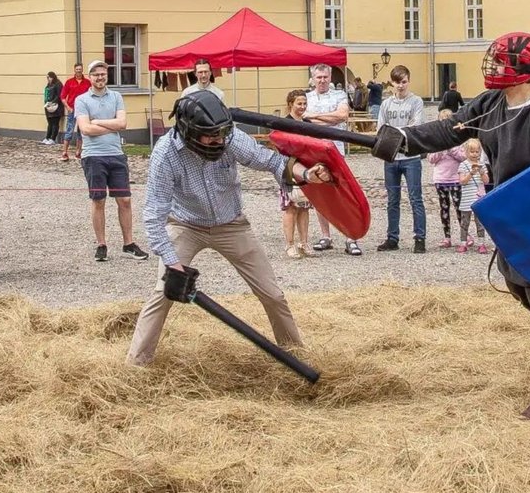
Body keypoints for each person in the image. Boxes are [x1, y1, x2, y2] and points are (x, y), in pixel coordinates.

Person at [373, 31, 530, 420]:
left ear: (523, 68)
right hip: (511, 213)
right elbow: (450, 129)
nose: (494, 67)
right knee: (517, 284)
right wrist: (402, 139)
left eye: (501, 61)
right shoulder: (491, 104)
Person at [127, 93, 330, 366]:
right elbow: (154, 215)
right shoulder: (166, 154)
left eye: (222, 133)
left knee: (272, 294)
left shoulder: (229, 136)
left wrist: (306, 174)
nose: (219, 140)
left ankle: (296, 355)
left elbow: (270, 161)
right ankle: (136, 366)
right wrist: (172, 264)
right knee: (162, 293)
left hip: (231, 224)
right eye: (211, 136)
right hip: (185, 224)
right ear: (189, 132)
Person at [76, 60, 148, 263]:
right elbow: (85, 129)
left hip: (116, 154)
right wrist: (111, 125)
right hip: (93, 156)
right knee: (98, 200)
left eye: (103, 74)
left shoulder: (116, 96)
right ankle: (101, 244)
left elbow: (123, 123)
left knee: (124, 200)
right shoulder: (82, 100)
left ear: (107, 76)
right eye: (96, 74)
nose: (100, 78)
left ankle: (128, 243)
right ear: (90, 77)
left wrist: (97, 121)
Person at [304, 63, 360, 255]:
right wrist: (324, 119)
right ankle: (325, 235)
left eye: (325, 77)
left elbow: (342, 116)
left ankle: (349, 236)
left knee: (342, 192)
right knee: (320, 193)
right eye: (318, 77)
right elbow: (305, 120)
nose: (322, 80)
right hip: (315, 151)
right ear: (313, 79)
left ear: (330, 77)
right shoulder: (307, 98)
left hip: (336, 149)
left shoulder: (340, 95)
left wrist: (315, 117)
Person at [375, 65, 429, 253]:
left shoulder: (416, 101)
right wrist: (396, 134)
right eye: (397, 82)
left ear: (409, 81)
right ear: (392, 83)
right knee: (392, 199)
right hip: (391, 157)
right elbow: (381, 128)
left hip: (410, 156)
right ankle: (392, 237)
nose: (401, 86)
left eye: (404, 82)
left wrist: (395, 133)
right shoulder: (386, 104)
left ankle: (420, 238)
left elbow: (416, 126)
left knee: (415, 198)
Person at [278, 90, 314, 258]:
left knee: (304, 207)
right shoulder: (284, 123)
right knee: (291, 206)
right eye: (299, 103)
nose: (302, 107)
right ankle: (290, 244)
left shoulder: (307, 123)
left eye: (304, 103)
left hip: (306, 168)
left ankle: (304, 242)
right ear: (291, 104)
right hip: (289, 167)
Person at [426, 140, 467, 248]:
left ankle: (465, 235)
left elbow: (464, 157)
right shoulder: (436, 143)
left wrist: (452, 149)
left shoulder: (458, 142)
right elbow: (431, 159)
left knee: (459, 207)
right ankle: (447, 237)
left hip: (455, 179)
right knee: (444, 208)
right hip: (440, 179)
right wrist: (441, 149)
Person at [456, 137, 490, 253]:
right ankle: (463, 242)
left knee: (479, 222)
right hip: (466, 198)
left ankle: (481, 243)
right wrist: (471, 173)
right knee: (464, 222)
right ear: (466, 152)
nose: (474, 154)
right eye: (472, 151)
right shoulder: (463, 165)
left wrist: (480, 172)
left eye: (477, 151)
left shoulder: (482, 165)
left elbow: (486, 181)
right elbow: (462, 181)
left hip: (479, 198)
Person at [59, 63, 91, 162]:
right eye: (77, 69)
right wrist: (68, 107)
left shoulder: (87, 83)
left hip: (83, 110)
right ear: (74, 70)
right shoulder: (69, 82)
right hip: (72, 109)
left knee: (81, 131)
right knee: (69, 130)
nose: (78, 71)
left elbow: (91, 95)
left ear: (82, 70)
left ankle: (78, 152)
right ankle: (64, 152)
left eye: (80, 69)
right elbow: (63, 97)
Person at [43, 71, 64, 148]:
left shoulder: (58, 84)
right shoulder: (49, 84)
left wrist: (52, 102)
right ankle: (47, 137)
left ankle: (53, 138)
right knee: (50, 123)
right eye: (47, 78)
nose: (48, 79)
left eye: (50, 77)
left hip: (56, 107)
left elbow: (59, 95)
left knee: (55, 123)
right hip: (48, 107)